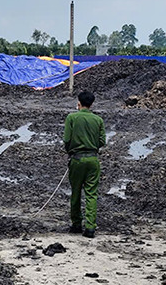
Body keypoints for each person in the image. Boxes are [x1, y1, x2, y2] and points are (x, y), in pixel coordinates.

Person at [64, 90, 106, 238]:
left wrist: (71, 151)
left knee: (75, 193)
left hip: (77, 160)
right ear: (92, 104)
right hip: (93, 160)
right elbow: (102, 141)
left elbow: (67, 139)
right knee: (91, 194)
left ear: (79, 103)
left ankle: (76, 224)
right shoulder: (98, 120)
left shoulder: (72, 118)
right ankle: (90, 227)